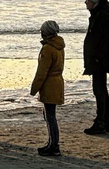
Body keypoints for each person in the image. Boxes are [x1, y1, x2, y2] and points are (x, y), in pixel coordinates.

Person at [82, 0, 109, 134]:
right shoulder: (101, 15)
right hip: (101, 58)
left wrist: (97, 57)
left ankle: (101, 122)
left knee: (99, 90)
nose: (86, 3)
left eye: (87, 1)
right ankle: (106, 121)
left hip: (100, 59)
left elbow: (104, 40)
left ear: (94, 2)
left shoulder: (101, 16)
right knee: (101, 89)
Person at [30, 21, 65, 157]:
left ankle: (54, 145)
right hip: (57, 81)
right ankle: (52, 143)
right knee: (50, 115)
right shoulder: (59, 46)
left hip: (49, 84)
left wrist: (34, 88)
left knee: (50, 116)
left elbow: (42, 72)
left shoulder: (48, 49)